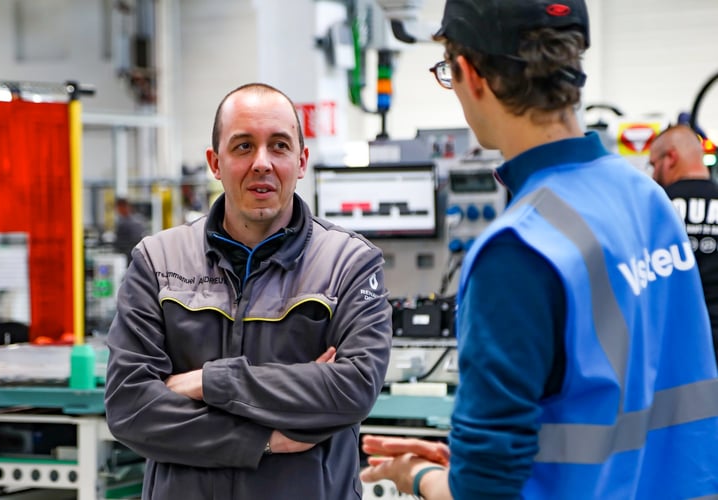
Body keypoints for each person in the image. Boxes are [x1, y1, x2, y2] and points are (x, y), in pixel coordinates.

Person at [360, 0, 718, 499]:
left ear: (470, 75)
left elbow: (486, 494)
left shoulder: (517, 251)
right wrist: (472, 464)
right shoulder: (647, 198)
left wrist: (413, 474)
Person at [104, 82, 392, 499]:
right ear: (215, 162)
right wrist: (264, 440)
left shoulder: (349, 263)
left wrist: (209, 381)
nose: (262, 163)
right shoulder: (157, 261)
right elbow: (131, 408)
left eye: (279, 146)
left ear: (301, 160)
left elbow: (352, 389)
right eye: (242, 147)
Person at [650, 124, 718, 365]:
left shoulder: (653, 208)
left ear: (670, 158)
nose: (653, 173)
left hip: (673, 349)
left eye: (653, 164)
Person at [113, 197, 146, 264]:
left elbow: (122, 242)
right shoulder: (138, 218)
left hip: (128, 255)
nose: (118, 210)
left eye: (119, 208)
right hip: (134, 253)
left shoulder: (127, 222)